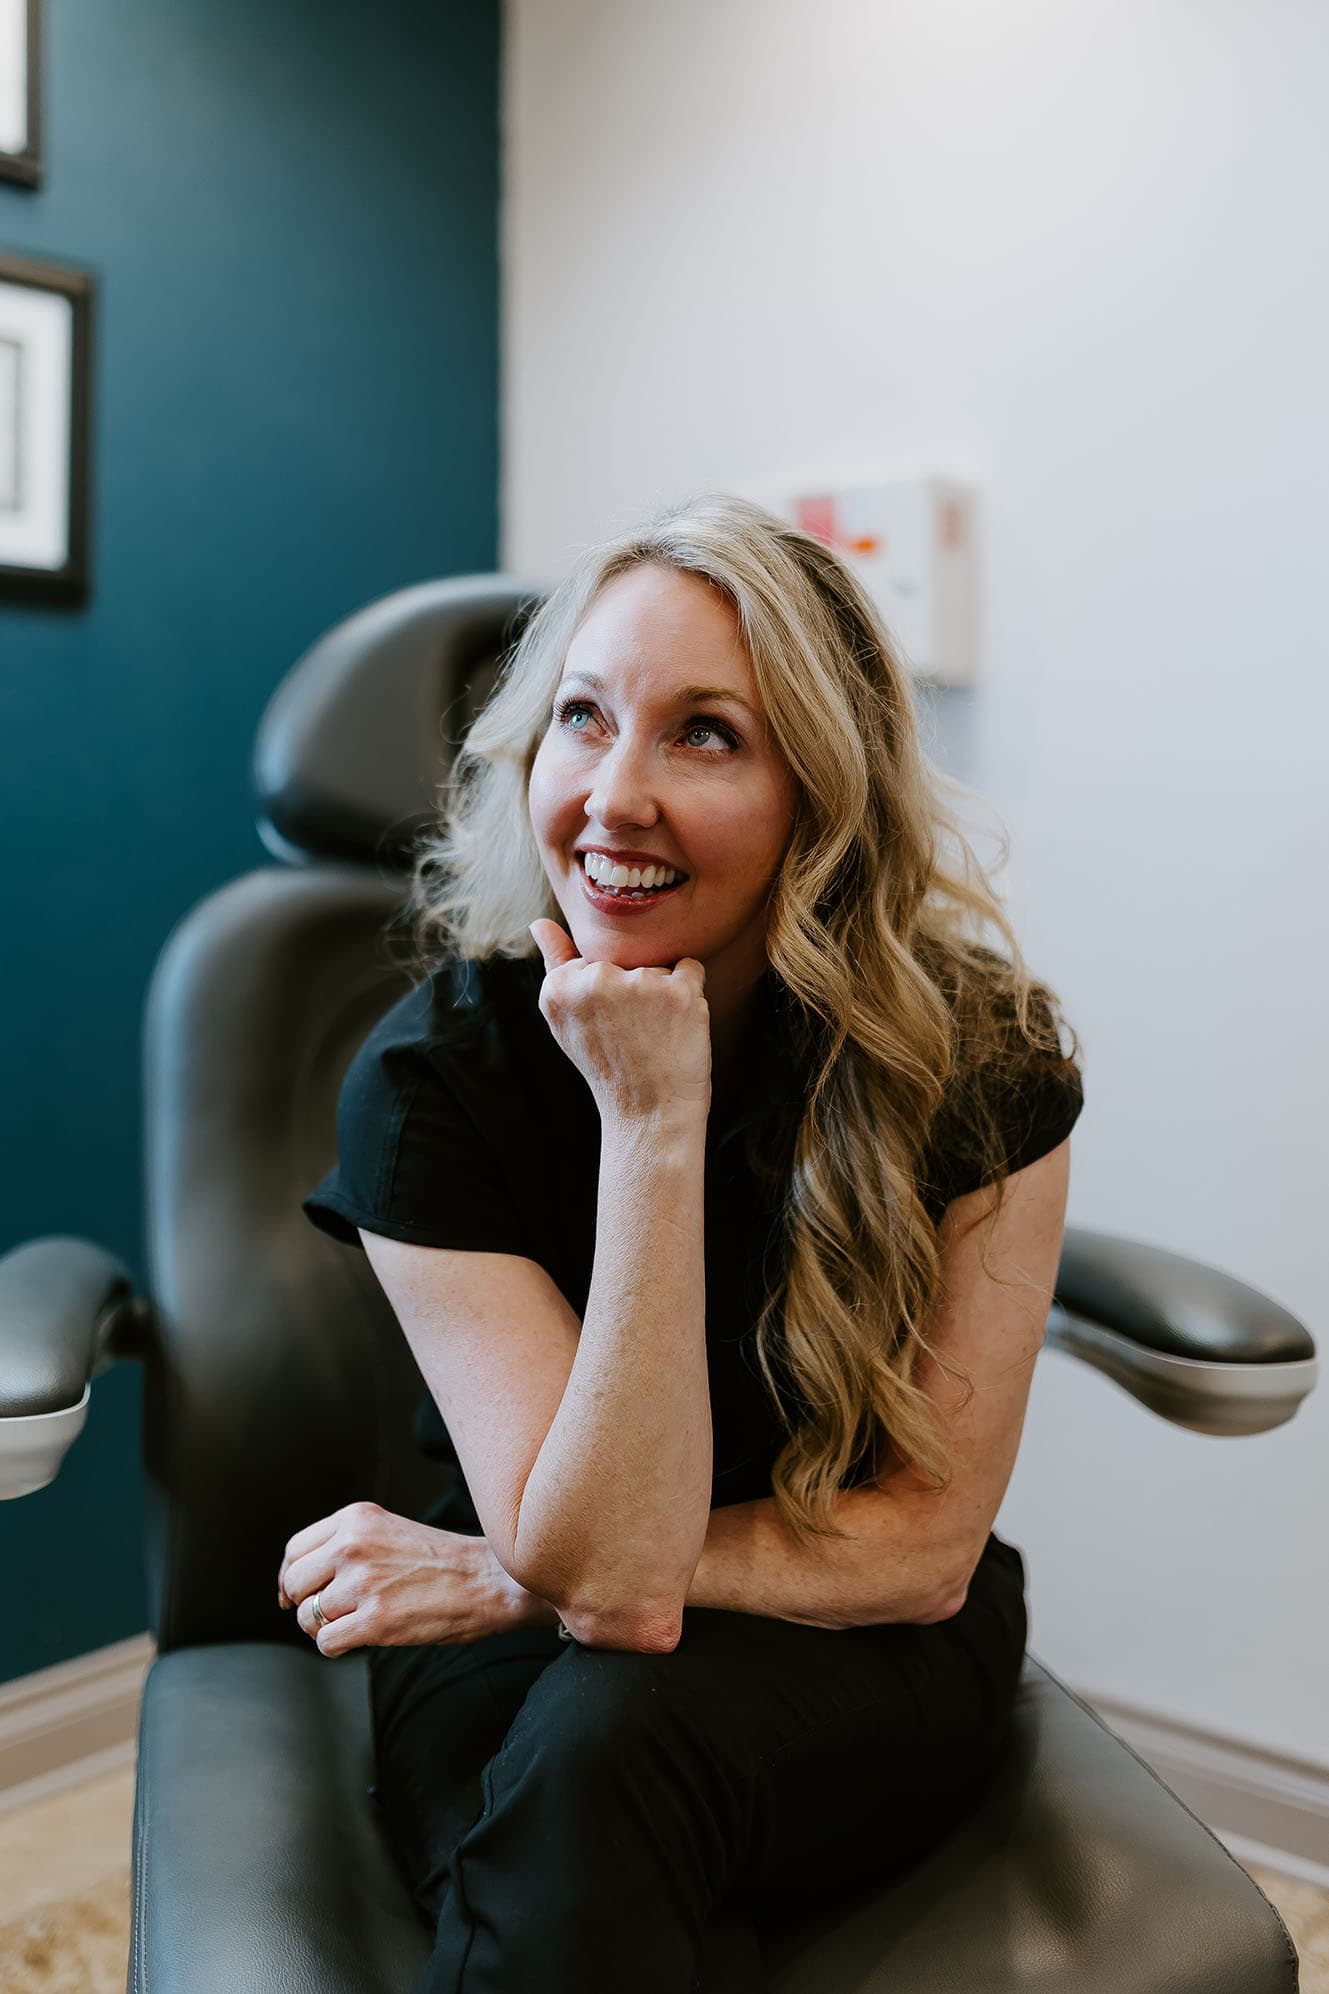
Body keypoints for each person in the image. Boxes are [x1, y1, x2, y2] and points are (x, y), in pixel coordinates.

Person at [289, 492, 1086, 1994]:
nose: (612, 796)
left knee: (608, 1766)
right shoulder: (430, 1076)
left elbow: (915, 1546)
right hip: (524, 1647)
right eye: (582, 718)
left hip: (852, 1632)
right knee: (606, 1808)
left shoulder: (979, 1059)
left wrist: (503, 1568)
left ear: (819, 792)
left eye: (703, 733)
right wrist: (647, 1127)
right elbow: (606, 1578)